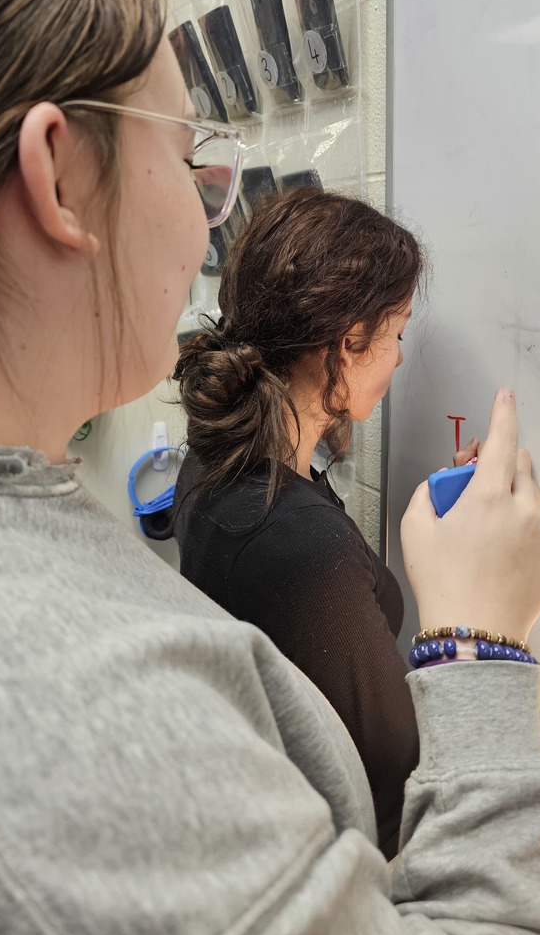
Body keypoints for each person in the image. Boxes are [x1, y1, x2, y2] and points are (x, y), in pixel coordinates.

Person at [0, 0, 540, 934]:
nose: (206, 221)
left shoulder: (27, 525)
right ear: (57, 177)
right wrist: (479, 642)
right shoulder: (45, 688)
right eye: (189, 163)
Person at [169, 189, 477, 858]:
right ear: (345, 344)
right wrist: (474, 609)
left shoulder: (217, 459)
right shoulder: (306, 550)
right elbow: (398, 800)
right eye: (395, 334)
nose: (398, 356)